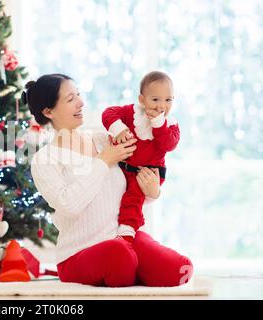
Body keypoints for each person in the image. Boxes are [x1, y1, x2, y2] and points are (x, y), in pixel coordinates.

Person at [25, 74, 193, 287]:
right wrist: (103, 161)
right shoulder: (45, 159)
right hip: (79, 252)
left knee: (180, 269)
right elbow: (70, 206)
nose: (81, 102)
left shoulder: (104, 139)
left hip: (124, 238)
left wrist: (153, 191)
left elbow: (133, 182)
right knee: (120, 257)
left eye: (79, 95)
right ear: (48, 111)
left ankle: (131, 268)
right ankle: (130, 269)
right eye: (70, 99)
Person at [102, 71, 180, 243]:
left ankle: (127, 231)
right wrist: (118, 128)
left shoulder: (171, 124)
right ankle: (108, 232)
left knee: (134, 198)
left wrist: (159, 125)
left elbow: (169, 144)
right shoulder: (132, 112)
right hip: (124, 167)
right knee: (112, 191)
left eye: (168, 100)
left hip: (150, 173)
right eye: (155, 100)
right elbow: (108, 113)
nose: (162, 106)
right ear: (142, 100)